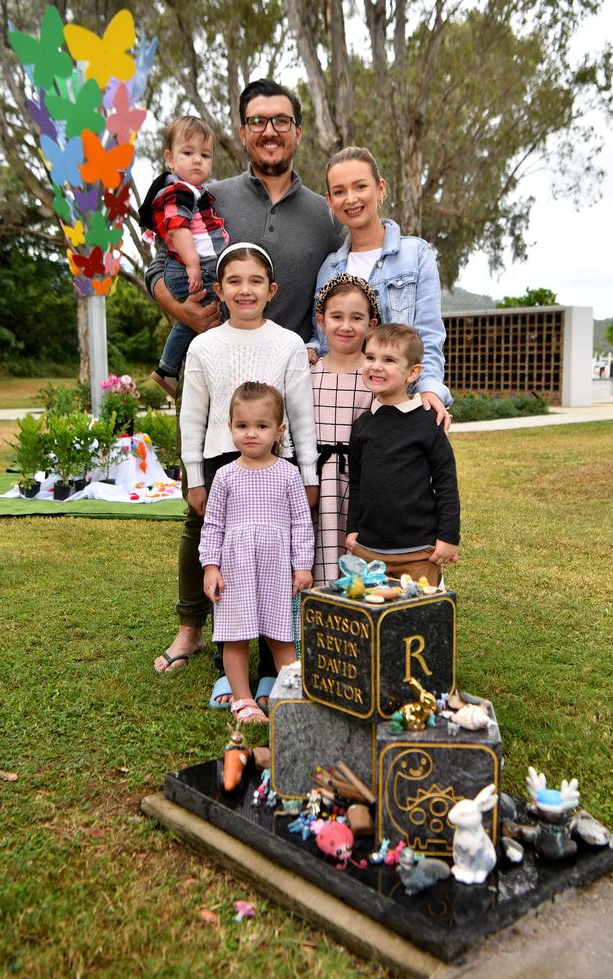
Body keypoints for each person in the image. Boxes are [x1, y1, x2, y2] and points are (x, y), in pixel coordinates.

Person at [148, 79, 341, 683]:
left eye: (281, 120)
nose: (269, 130)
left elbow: (337, 292)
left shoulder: (324, 214)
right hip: (215, 366)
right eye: (257, 120)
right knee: (203, 510)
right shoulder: (211, 196)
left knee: (277, 515)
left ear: (297, 131)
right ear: (242, 130)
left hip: (282, 384)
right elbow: (162, 264)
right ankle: (190, 628)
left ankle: (278, 627)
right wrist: (184, 316)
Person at [180, 242, 318, 703]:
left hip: (278, 464)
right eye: (234, 281)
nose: (245, 290)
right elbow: (192, 416)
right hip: (224, 464)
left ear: (271, 289)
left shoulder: (289, 343)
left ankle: (267, 672)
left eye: (255, 281)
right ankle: (227, 667)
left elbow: (300, 415)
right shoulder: (203, 345)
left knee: (271, 572)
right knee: (233, 575)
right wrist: (195, 475)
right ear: (219, 289)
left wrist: (309, 473)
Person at [307, 146, 452, 432]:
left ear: (380, 188)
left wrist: (430, 389)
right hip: (341, 412)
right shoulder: (328, 267)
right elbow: (321, 337)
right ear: (329, 200)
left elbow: (429, 337)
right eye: (339, 191)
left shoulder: (416, 255)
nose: (351, 199)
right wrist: (307, 351)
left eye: (360, 186)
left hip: (400, 411)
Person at [200, 382, 314, 725]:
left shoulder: (288, 474)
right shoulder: (224, 477)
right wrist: (210, 566)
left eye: (262, 426)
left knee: (281, 636)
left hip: (277, 569)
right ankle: (243, 700)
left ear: (279, 431)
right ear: (230, 428)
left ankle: (293, 694)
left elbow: (300, 524)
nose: (251, 434)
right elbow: (213, 526)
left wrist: (302, 566)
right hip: (235, 570)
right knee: (235, 636)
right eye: (242, 426)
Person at [346, 323, 460, 586]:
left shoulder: (427, 422)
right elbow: (357, 483)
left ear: (413, 373)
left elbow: (445, 483)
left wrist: (448, 537)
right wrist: (353, 529)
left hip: (418, 552)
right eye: (370, 357)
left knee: (417, 620)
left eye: (388, 360)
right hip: (368, 551)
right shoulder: (363, 425)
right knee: (372, 619)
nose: (376, 366)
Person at [139, 115, 229, 398]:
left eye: (205, 155)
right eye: (188, 153)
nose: (197, 161)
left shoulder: (194, 191)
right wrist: (192, 265)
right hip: (192, 269)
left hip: (198, 268)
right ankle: (168, 369)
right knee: (212, 313)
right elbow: (177, 229)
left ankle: (167, 369)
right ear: (170, 158)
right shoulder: (178, 190)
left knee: (200, 318)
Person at [310, 274, 378, 585]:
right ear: (321, 321)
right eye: (337, 317)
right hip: (316, 481)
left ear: (371, 325)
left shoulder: (376, 377)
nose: (346, 326)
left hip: (358, 480)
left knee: (354, 550)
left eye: (356, 318)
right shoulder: (308, 373)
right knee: (316, 550)